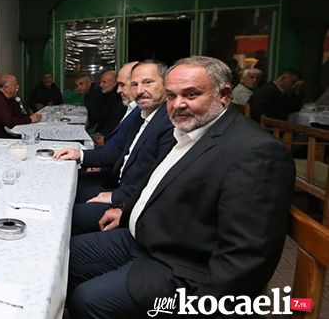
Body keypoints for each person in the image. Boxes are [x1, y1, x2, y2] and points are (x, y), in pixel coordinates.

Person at [67, 56, 294, 318]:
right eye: (172, 96)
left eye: (191, 94)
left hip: (181, 268)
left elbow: (247, 257)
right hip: (145, 238)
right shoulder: (188, 131)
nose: (178, 105)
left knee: (89, 299)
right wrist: (126, 210)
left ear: (224, 95)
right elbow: (158, 185)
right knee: (63, 257)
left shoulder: (255, 150)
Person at [55, 60, 175, 235]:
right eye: (134, 84)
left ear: (166, 83)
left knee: (61, 217)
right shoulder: (142, 115)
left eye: (148, 82)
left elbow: (160, 179)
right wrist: (80, 155)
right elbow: (121, 153)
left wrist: (115, 197)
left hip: (130, 201)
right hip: (118, 186)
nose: (140, 90)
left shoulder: (170, 122)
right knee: (60, 192)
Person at [95, 70, 125, 136]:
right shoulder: (108, 95)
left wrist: (104, 137)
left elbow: (114, 121)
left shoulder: (119, 99)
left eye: (104, 82)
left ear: (114, 83)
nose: (100, 85)